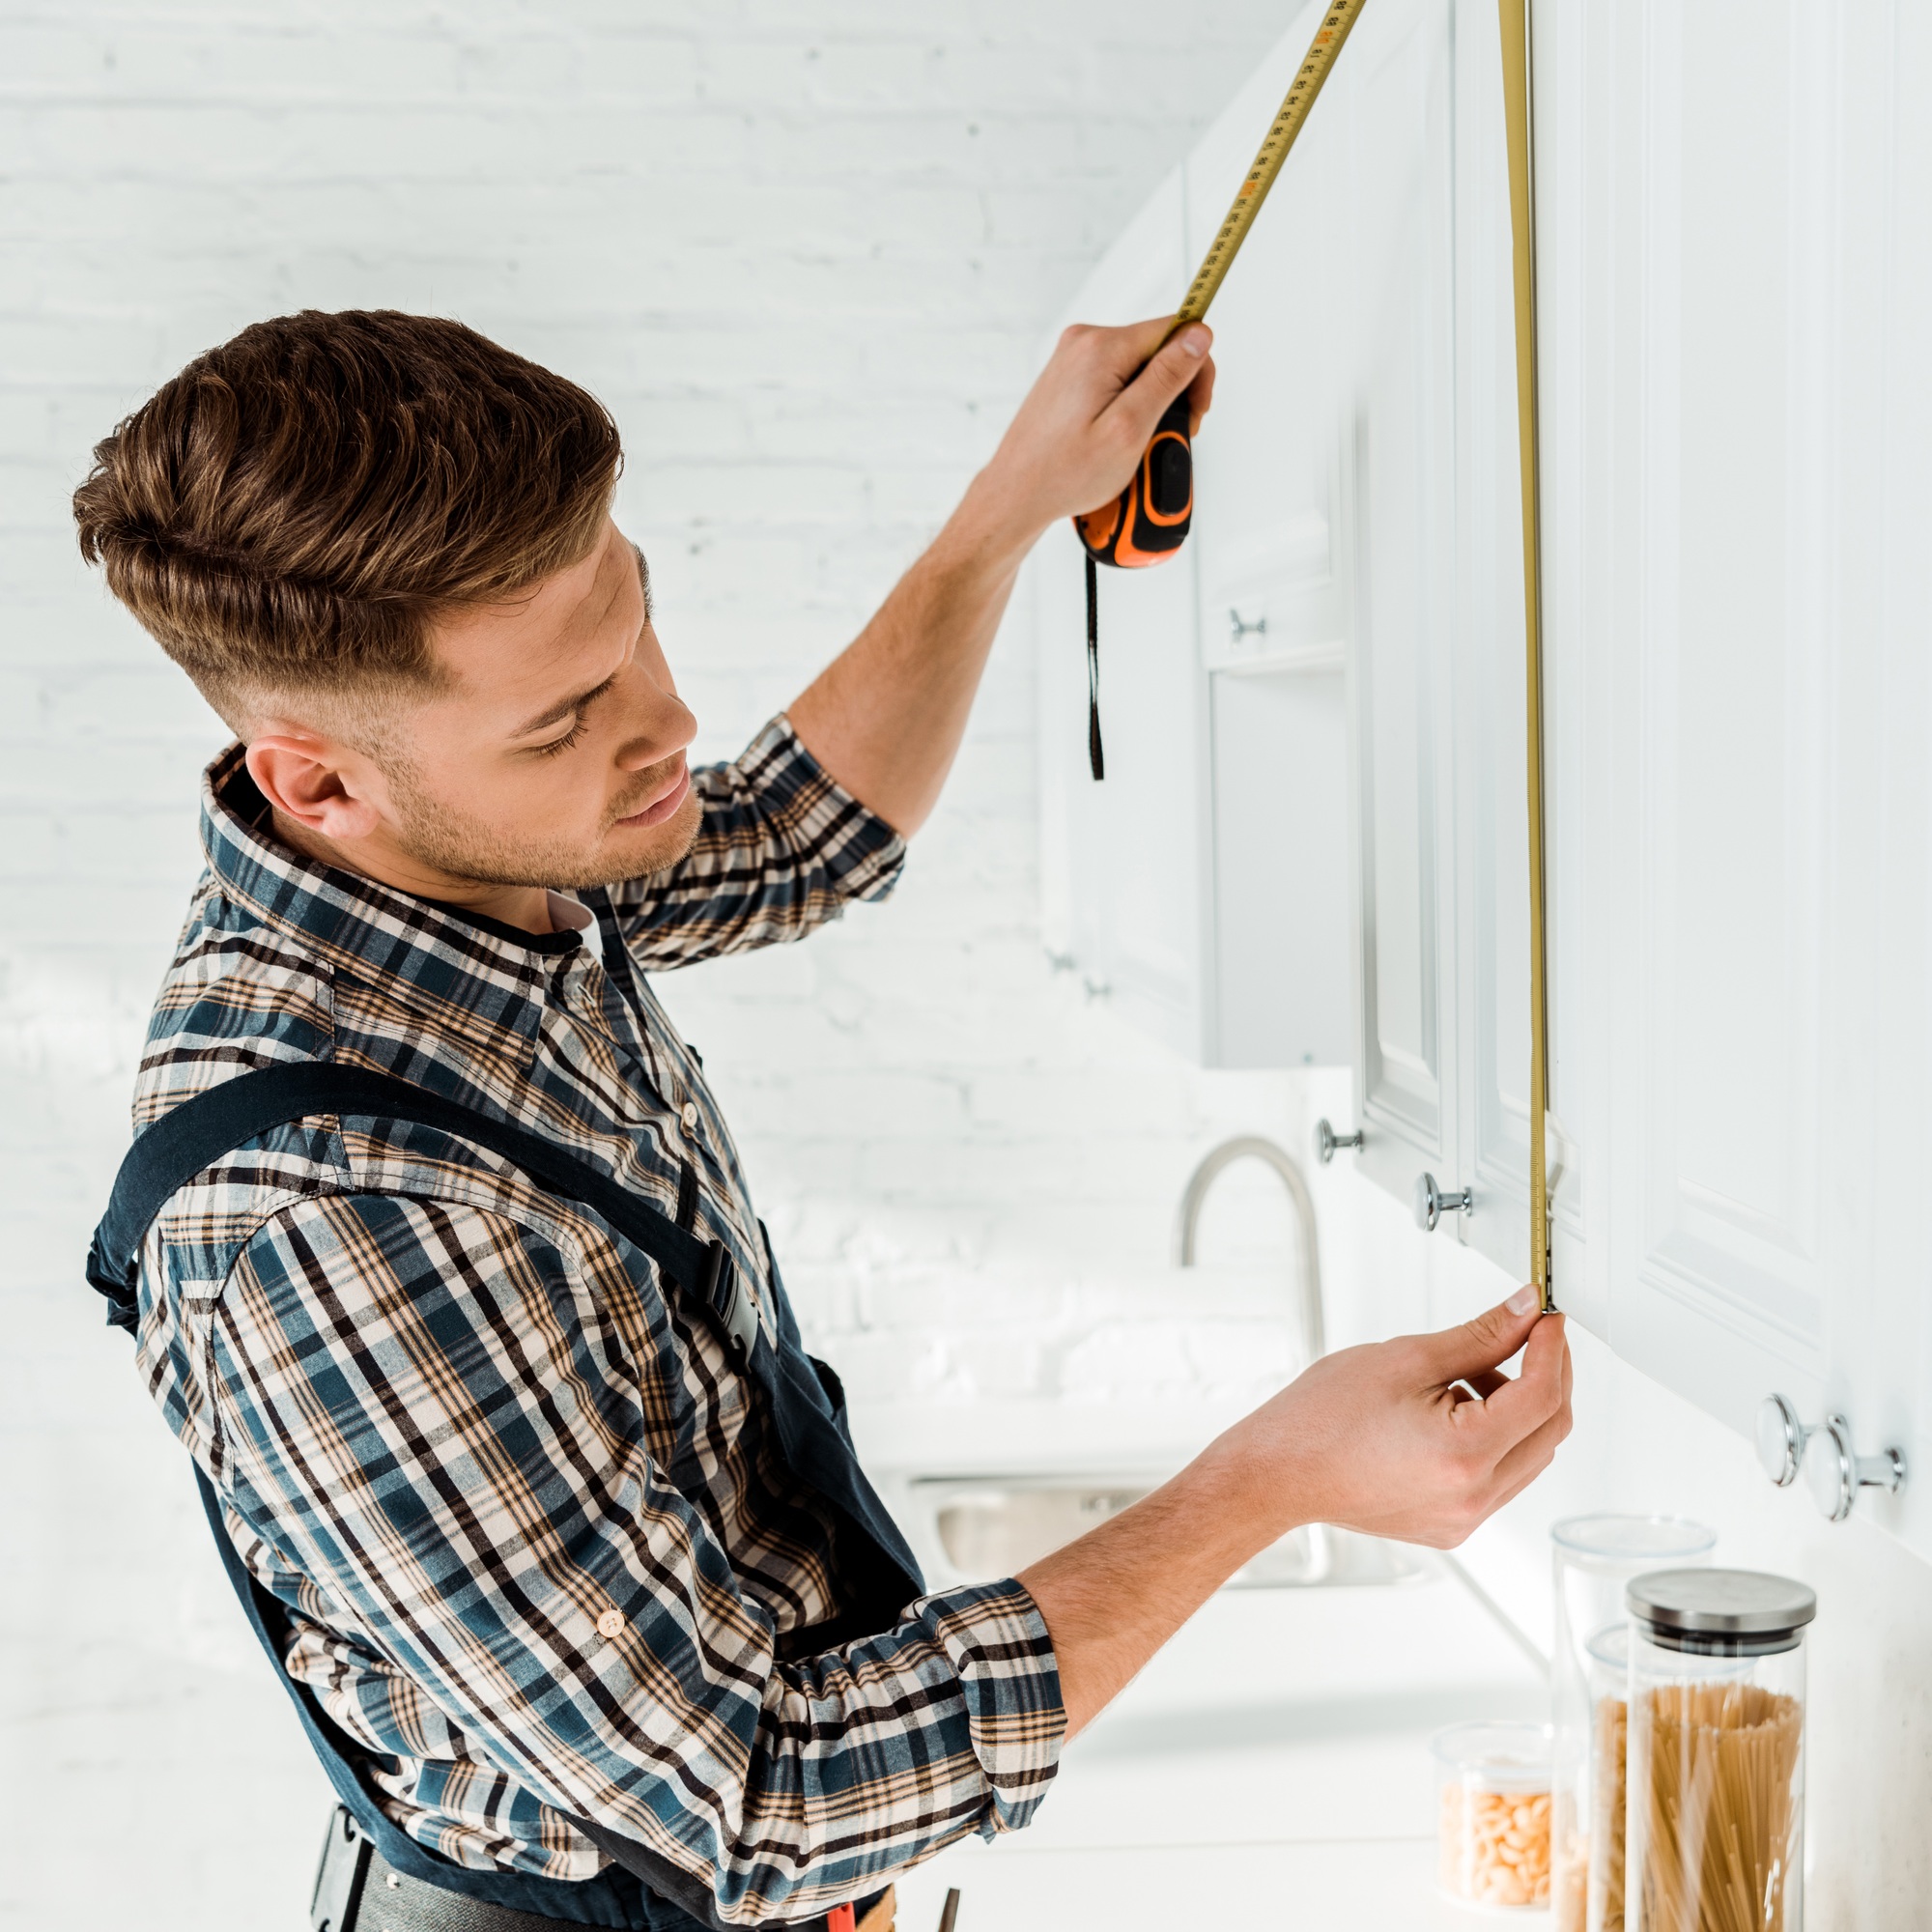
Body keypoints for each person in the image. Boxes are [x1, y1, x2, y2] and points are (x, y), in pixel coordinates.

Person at [73, 309, 1571, 1932]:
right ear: (317, 785)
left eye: (635, 618)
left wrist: (1010, 507)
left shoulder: (484, 862)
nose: (666, 725)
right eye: (563, 718)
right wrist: (1262, 1483)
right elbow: (761, 1799)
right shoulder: (323, 1228)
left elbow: (794, 836)